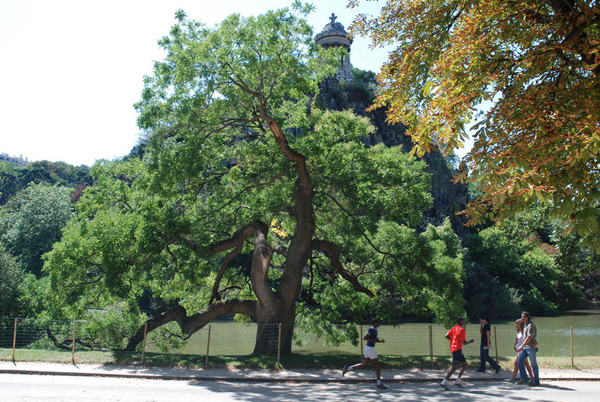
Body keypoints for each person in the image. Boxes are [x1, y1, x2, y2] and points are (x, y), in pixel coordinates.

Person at [342, 318, 388, 389]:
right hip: (370, 348)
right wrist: (377, 340)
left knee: (365, 365)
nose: (379, 324)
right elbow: (365, 338)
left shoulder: (374, 329)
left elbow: (373, 339)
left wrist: (379, 341)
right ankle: (379, 383)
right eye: (378, 322)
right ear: (375, 323)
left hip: (368, 348)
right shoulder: (372, 329)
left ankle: (347, 369)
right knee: (377, 365)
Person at [440, 317, 474, 388]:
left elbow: (446, 336)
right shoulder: (462, 330)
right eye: (464, 321)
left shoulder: (453, 328)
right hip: (457, 349)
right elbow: (464, 343)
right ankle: (444, 381)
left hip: (454, 348)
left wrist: (452, 341)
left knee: (465, 365)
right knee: (454, 367)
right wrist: (470, 342)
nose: (465, 322)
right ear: (461, 321)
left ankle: (458, 380)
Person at [517, 311, 540, 386]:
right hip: (525, 347)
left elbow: (529, 337)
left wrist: (521, 346)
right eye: (521, 317)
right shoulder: (525, 325)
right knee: (519, 361)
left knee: (533, 364)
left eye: (523, 317)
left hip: (531, 347)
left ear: (527, 317)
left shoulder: (531, 326)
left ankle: (536, 381)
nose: (522, 318)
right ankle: (524, 379)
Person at [507, 319, 534, 383]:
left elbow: (526, 339)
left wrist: (522, 347)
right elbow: (517, 339)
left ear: (520, 324)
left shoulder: (523, 332)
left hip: (522, 350)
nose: (516, 325)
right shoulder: (518, 331)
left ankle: (515, 379)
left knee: (517, 364)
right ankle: (531, 378)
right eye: (516, 323)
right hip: (519, 349)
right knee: (525, 364)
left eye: (517, 323)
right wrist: (514, 345)